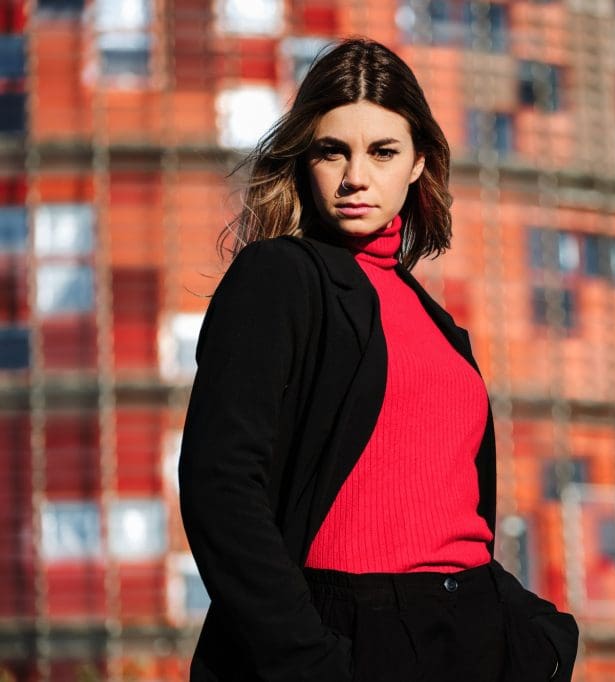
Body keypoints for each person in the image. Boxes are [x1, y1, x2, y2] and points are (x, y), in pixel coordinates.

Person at [177, 36, 579, 682]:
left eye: (382, 151)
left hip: (473, 633)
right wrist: (311, 662)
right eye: (332, 150)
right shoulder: (279, 278)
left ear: (419, 161)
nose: (355, 176)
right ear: (305, 157)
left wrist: (542, 636)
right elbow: (219, 487)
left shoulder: (441, 326)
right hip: (349, 635)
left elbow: (455, 518)